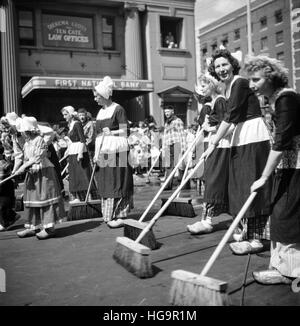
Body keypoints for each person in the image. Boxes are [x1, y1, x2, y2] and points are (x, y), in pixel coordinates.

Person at [202, 49, 272, 255]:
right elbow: (234, 120)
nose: (221, 69)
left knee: (250, 183)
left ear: (232, 64)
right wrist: (218, 136)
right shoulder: (229, 86)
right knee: (239, 184)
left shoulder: (240, 82)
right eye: (217, 67)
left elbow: (232, 115)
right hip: (241, 136)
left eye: (224, 64)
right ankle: (247, 230)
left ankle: (257, 238)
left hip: (254, 137)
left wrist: (214, 141)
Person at [246, 55, 300, 284]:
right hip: (288, 164)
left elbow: (282, 141)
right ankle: (281, 266)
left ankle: (290, 272)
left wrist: (264, 176)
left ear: (270, 77)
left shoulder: (286, 98)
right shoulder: (275, 100)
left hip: (296, 165)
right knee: (280, 211)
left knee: (286, 213)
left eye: (256, 79)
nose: (251, 85)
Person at [187, 73, 232, 235]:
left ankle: (207, 220)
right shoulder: (210, 103)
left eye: (204, 85)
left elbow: (227, 125)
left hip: (220, 145)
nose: (201, 89)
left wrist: (210, 128)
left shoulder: (220, 101)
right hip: (212, 144)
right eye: (200, 86)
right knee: (211, 179)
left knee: (213, 180)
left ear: (212, 84)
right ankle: (209, 218)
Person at [93, 76, 134, 228]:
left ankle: (120, 214)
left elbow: (125, 131)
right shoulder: (100, 112)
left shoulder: (118, 109)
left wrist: (110, 132)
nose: (95, 99)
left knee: (118, 179)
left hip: (118, 150)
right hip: (104, 149)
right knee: (106, 180)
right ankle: (108, 214)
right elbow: (98, 134)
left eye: (97, 96)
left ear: (104, 95)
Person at [14, 117, 64, 239]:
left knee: (45, 198)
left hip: (44, 173)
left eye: (23, 130)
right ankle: (33, 227)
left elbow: (38, 157)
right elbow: (25, 158)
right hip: (32, 174)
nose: (21, 132)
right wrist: (18, 169)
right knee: (32, 200)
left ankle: (49, 229)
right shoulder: (26, 143)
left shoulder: (40, 140)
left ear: (28, 130)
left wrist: (24, 166)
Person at [61, 106, 97, 203]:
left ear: (71, 114)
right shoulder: (71, 125)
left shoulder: (77, 124)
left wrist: (80, 153)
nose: (64, 117)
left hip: (79, 152)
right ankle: (78, 197)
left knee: (83, 175)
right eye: (63, 115)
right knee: (74, 175)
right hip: (73, 151)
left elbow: (82, 140)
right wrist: (68, 150)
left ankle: (88, 198)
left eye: (65, 114)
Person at [161, 105, 186, 190]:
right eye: (165, 112)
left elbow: (182, 134)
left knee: (180, 165)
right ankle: (167, 185)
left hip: (176, 144)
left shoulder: (178, 121)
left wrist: (183, 147)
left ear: (172, 111)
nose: (166, 114)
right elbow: (165, 136)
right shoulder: (167, 123)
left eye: (168, 112)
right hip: (168, 145)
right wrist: (164, 148)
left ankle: (184, 184)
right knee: (168, 166)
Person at [0, 141, 20, 231]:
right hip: (3, 185)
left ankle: (5, 223)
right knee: (3, 206)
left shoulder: (3, 164)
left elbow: (3, 176)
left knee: (3, 205)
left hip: (5, 186)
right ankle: (13, 216)